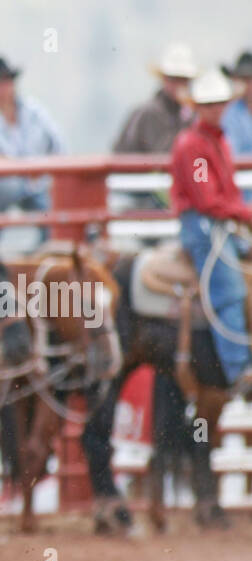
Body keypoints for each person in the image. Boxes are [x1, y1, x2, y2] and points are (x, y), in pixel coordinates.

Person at [170, 69, 252, 394]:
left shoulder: (215, 140)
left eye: (219, 103)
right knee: (228, 287)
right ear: (198, 107)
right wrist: (244, 213)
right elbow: (206, 199)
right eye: (209, 104)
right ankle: (239, 369)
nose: (216, 109)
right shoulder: (194, 146)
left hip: (217, 222)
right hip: (203, 226)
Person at [0, 56, 65, 227]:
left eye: (7, 80)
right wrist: (27, 168)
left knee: (49, 206)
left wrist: (42, 169)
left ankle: (50, 244)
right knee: (7, 189)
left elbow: (58, 145)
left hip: (35, 183)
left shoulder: (32, 110)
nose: (3, 87)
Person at [114, 44, 198, 154]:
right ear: (164, 79)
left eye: (183, 80)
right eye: (174, 79)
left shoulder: (189, 113)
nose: (179, 85)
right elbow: (162, 153)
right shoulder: (150, 113)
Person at [221, 50, 252, 201]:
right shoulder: (227, 114)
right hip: (239, 194)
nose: (248, 85)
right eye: (244, 79)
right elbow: (230, 154)